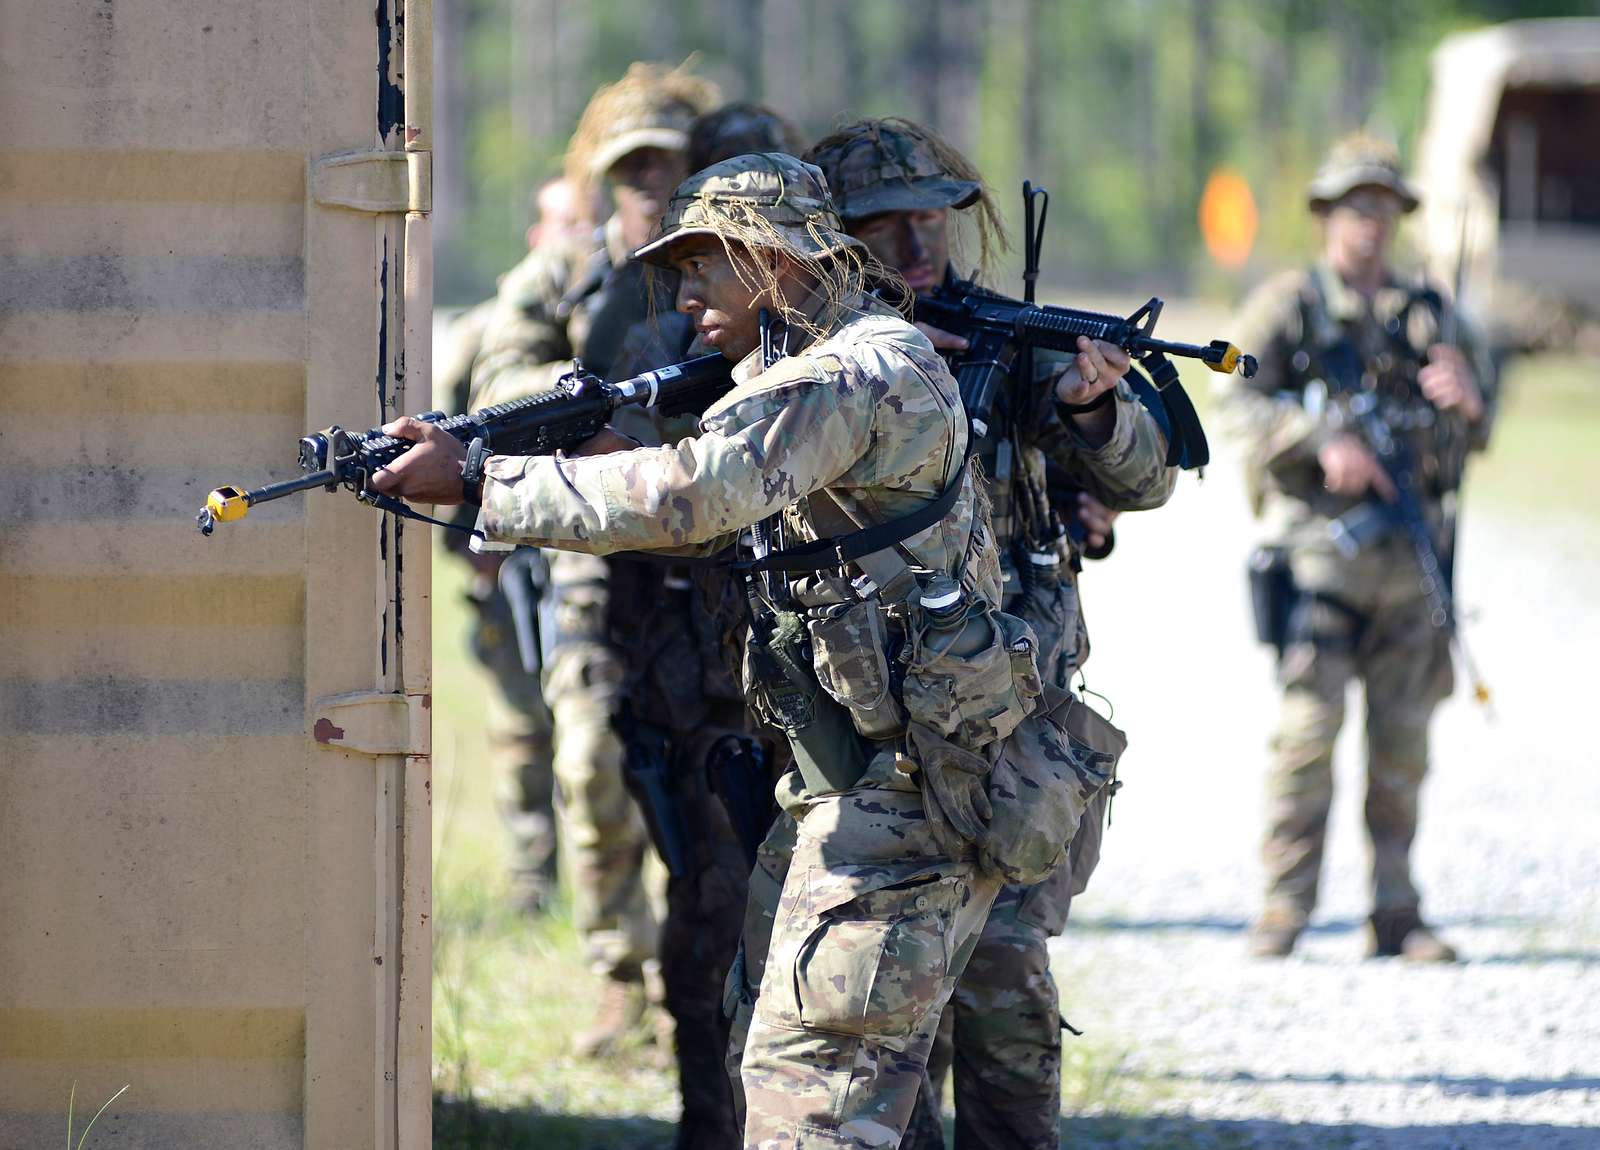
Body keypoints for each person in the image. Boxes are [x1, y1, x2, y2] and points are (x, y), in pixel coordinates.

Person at [372, 151, 1120, 1148]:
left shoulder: (855, 371)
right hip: (853, 793)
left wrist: (477, 479)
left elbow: (695, 494)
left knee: (812, 1097)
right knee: (820, 1065)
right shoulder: (808, 370)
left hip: (903, 804)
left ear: (773, 261)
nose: (683, 296)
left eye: (703, 268)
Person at [809, 117, 1177, 1150]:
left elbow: (1142, 478)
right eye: (884, 230)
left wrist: (1087, 411)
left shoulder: (1005, 347)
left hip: (1008, 739)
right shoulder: (803, 369)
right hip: (869, 748)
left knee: (1009, 1005)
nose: (917, 249)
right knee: (880, 1028)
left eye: (931, 222)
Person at [469, 60, 720, 1058]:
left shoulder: (725, 273)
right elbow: (500, 372)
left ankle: (699, 990)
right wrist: (600, 403)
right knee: (589, 766)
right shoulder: (568, 278)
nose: (654, 187)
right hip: (592, 560)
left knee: (714, 781)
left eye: (672, 168)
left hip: (709, 557)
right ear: (608, 180)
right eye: (636, 171)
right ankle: (621, 978)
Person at [1220, 134, 1496, 962]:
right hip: (1322, 565)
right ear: (1326, 215)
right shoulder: (1289, 306)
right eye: (1354, 207)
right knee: (1307, 740)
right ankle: (1285, 907)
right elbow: (1231, 391)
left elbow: (1477, 433)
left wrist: (1467, 400)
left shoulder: (1435, 314)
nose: (1370, 224)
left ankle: (1398, 913)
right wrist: (1316, 439)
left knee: (1403, 747)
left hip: (1413, 570)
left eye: (1383, 208)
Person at [430, 175, 587, 916]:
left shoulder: (601, 324)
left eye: (579, 224)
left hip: (582, 551)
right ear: (535, 235)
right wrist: (475, 550)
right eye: (558, 222)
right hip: (506, 553)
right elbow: (446, 442)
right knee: (521, 728)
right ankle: (532, 883)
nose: (569, 238)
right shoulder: (484, 333)